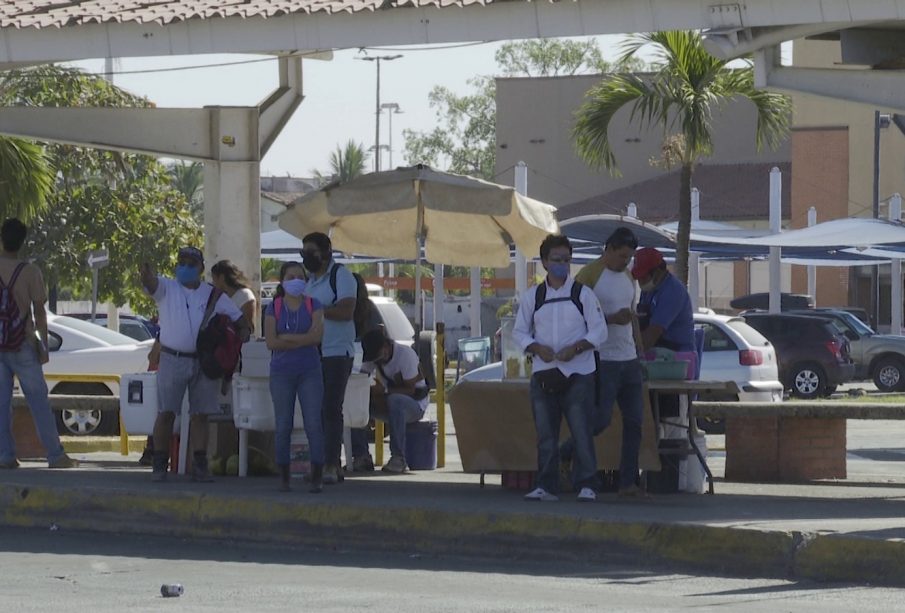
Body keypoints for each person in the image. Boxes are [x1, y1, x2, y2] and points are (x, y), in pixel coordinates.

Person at [140, 246, 250, 482]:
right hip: (172, 359)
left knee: (201, 415)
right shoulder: (166, 288)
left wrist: (229, 341)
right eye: (182, 262)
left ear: (201, 268)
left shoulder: (213, 295)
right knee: (166, 412)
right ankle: (160, 464)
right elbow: (150, 284)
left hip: (203, 362)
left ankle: (200, 466)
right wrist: (145, 273)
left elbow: (241, 322)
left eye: (191, 263)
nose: (185, 267)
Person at [513, 234, 607, 502]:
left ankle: (587, 484)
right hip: (543, 375)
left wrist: (576, 348)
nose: (562, 265)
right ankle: (546, 485)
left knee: (581, 430)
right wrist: (536, 348)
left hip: (579, 374)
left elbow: (599, 331)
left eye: (566, 260)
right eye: (556, 260)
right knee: (545, 435)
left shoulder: (583, 294)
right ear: (544, 262)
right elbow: (519, 332)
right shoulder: (534, 297)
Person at [573, 227, 646, 497]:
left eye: (629, 258)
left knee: (635, 422)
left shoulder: (628, 277)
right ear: (609, 249)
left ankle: (628, 481)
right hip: (602, 360)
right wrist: (611, 319)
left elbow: (633, 315)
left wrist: (640, 351)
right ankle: (568, 452)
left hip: (629, 359)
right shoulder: (589, 275)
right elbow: (576, 317)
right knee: (601, 419)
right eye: (622, 256)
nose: (625, 262)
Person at [0, 218, 78, 470]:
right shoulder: (30, 272)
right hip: (22, 344)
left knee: (1, 404)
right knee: (38, 401)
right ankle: (55, 455)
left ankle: (5, 455)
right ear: (22, 242)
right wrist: (43, 347)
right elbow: (39, 312)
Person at [300, 232, 357, 485]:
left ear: (325, 252)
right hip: (313, 351)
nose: (306, 257)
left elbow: (346, 311)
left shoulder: (340, 276)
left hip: (336, 352)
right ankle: (317, 463)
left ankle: (332, 465)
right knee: (315, 411)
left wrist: (317, 310)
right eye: (303, 253)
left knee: (331, 409)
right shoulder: (309, 282)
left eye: (310, 252)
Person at [264, 261, 325, 492]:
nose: (296, 280)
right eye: (290, 277)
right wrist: (303, 339)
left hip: (310, 370)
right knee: (283, 424)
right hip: (281, 372)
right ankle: (284, 477)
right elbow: (271, 341)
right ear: (282, 281)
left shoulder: (314, 305)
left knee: (313, 423)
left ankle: (317, 475)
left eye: (300, 276)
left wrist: (287, 337)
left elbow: (317, 338)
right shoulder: (274, 307)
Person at [359, 329, 428, 474]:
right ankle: (361, 455)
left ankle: (398, 458)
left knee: (395, 401)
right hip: (387, 401)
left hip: (414, 404)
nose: (376, 361)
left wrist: (383, 391)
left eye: (377, 356)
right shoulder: (374, 358)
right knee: (357, 404)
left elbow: (412, 391)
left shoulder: (405, 355)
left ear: (386, 347)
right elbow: (363, 377)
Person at [350, 272, 384, 472]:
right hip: (365, 368)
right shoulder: (369, 309)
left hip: (359, 365)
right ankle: (361, 455)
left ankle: (360, 455)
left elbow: (376, 339)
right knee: (356, 412)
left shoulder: (361, 309)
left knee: (349, 411)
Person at [632, 247, 695, 353]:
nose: (640, 282)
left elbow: (650, 337)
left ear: (658, 271)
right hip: (658, 351)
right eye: (638, 278)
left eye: (643, 277)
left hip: (677, 355)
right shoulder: (649, 289)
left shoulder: (672, 291)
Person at [211, 260, 257, 336]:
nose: (213, 283)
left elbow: (250, 327)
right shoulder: (221, 297)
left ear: (222, 278)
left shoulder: (245, 295)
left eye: (214, 279)